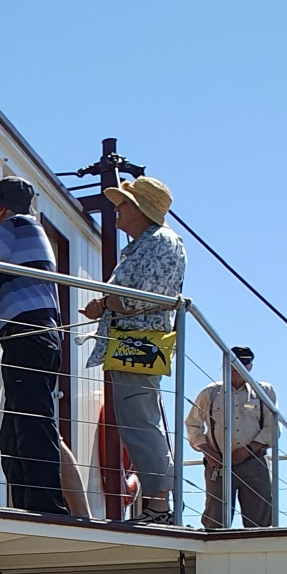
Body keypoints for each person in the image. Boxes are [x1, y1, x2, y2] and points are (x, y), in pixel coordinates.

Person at [82, 175, 186, 526]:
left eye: (123, 203)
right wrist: (106, 304)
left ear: (141, 209)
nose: (117, 208)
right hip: (131, 343)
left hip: (138, 344)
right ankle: (157, 504)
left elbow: (141, 297)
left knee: (141, 424)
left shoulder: (162, 242)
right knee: (137, 423)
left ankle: (158, 506)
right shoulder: (148, 243)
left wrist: (107, 301)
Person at [0, 177, 70, 516]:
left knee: (31, 424)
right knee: (13, 434)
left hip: (28, 334)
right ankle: (27, 506)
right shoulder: (26, 231)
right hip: (31, 336)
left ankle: (46, 508)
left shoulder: (17, 225)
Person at [187, 346, 278, 530]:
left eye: (244, 363)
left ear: (250, 366)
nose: (238, 368)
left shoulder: (264, 391)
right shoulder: (210, 393)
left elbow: (274, 428)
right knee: (215, 519)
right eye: (234, 363)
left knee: (259, 520)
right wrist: (207, 451)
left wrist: (248, 449)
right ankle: (214, 555)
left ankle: (258, 556)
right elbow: (192, 424)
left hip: (254, 460)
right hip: (218, 463)